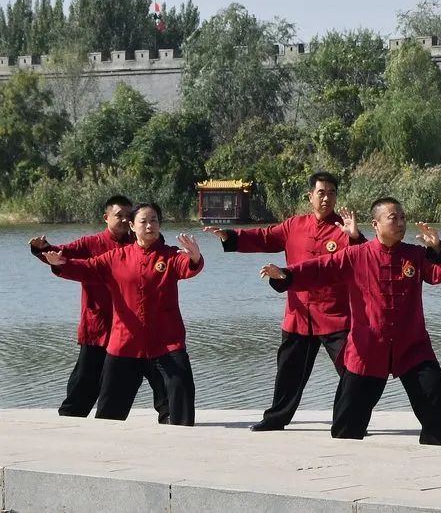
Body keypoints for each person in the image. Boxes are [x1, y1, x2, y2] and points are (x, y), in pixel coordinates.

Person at [260, 197, 441, 446]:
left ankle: (435, 462)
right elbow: (320, 269)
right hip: (367, 350)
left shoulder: (416, 255)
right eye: (393, 218)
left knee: (435, 400)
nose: (400, 223)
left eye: (403, 218)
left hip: (413, 348)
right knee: (346, 427)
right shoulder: (356, 255)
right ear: (375, 224)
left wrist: (438, 250)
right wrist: (286, 275)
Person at [203, 171, 363, 432]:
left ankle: (351, 420)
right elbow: (264, 236)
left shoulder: (344, 229)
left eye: (332, 193)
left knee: (352, 370)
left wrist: (355, 237)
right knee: (288, 372)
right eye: (321, 193)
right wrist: (229, 236)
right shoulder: (294, 226)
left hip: (335, 315)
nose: (326, 198)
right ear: (310, 196)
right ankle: (275, 419)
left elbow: (363, 259)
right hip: (298, 314)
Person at [43, 203, 204, 426]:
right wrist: (62, 264)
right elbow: (88, 268)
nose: (150, 226)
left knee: (181, 390)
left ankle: (181, 441)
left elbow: (186, 266)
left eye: (154, 220)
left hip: (166, 341)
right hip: (125, 343)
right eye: (144, 221)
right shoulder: (116, 257)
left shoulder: (169, 256)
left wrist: (195, 258)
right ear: (132, 226)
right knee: (109, 413)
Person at [29, 195, 169, 422]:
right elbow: (61, 256)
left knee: (158, 373)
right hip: (99, 326)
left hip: (134, 329)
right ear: (106, 218)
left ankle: (169, 415)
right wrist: (43, 249)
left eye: (128, 216)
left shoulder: (141, 243)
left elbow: (163, 257)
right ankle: (70, 417)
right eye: (119, 216)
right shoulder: (90, 244)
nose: (124, 220)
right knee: (86, 377)